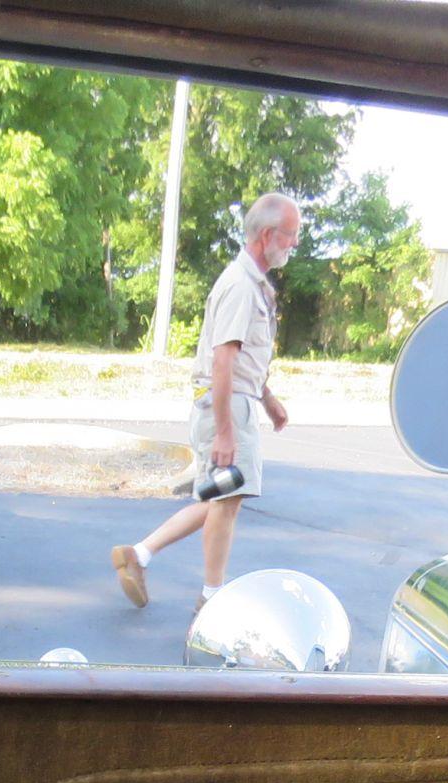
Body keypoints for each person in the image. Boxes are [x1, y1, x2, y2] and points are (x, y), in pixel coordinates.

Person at [111, 193, 300, 614]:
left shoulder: (252, 284)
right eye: (291, 236)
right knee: (227, 504)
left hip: (237, 401)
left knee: (217, 499)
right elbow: (222, 359)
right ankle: (212, 598)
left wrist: (267, 397)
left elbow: (243, 356)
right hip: (227, 407)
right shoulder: (239, 286)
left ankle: (138, 555)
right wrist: (227, 432)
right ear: (268, 235)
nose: (293, 245)